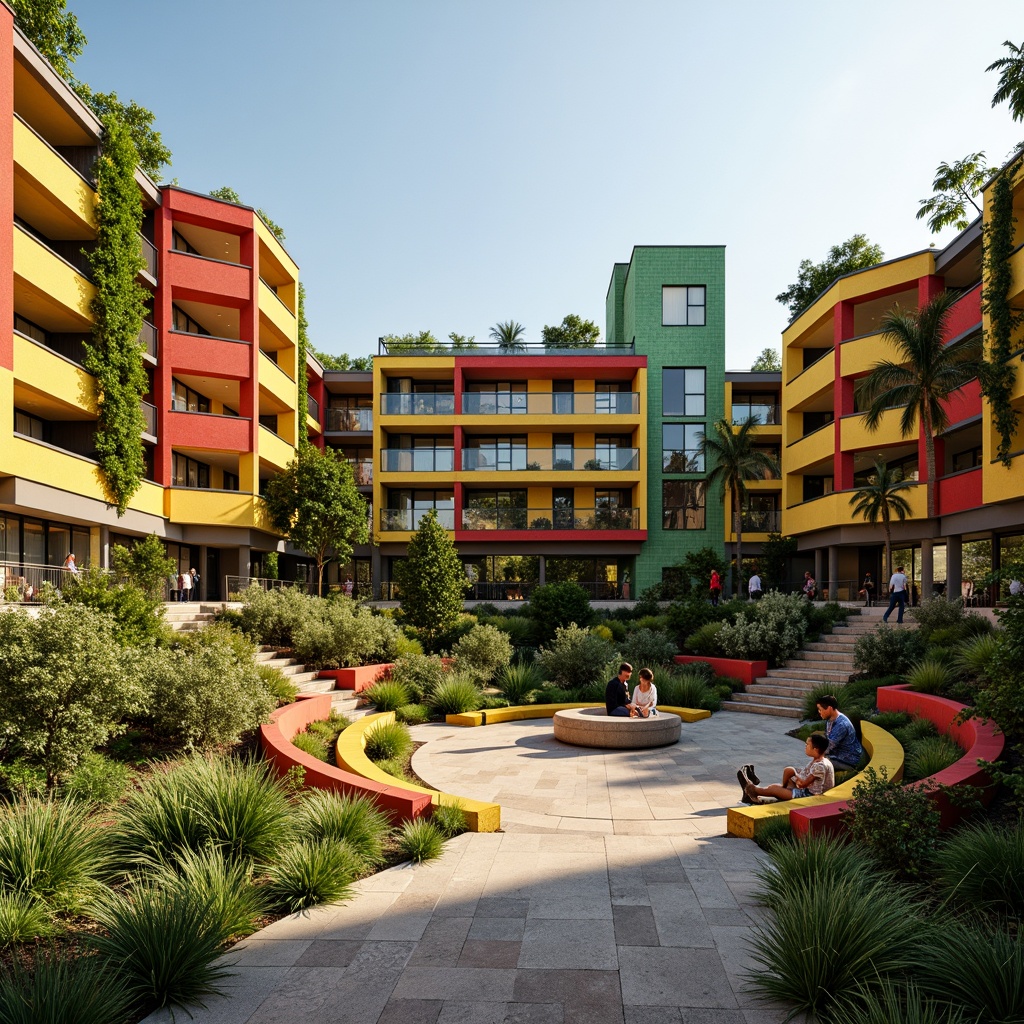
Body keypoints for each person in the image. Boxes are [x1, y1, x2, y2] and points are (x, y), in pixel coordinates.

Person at [739, 733, 834, 805]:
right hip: (807, 791)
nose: (805, 746)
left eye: (807, 744)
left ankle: (753, 790)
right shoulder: (819, 761)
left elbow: (804, 784)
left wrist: (794, 773)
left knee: (774, 788)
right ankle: (781, 790)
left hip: (810, 796)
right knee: (785, 779)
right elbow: (805, 775)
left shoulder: (820, 766)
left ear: (815, 749)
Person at [816, 694, 863, 771]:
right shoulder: (830, 719)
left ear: (829, 708)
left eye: (820, 709)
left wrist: (815, 751)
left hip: (848, 760)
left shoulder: (841, 724)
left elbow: (829, 746)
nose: (819, 712)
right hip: (838, 756)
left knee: (819, 764)